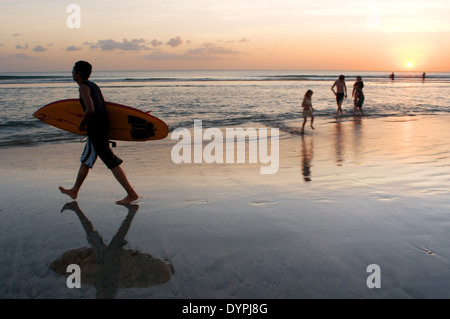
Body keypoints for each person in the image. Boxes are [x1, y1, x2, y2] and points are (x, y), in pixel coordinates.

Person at [59, 61, 138, 205]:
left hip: (96, 131)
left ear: (78, 73)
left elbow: (90, 109)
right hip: (100, 129)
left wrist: (82, 124)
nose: (71, 73)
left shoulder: (83, 87)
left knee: (110, 162)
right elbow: (104, 107)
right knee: (87, 160)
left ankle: (131, 194)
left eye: (73, 70)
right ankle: (74, 190)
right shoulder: (93, 86)